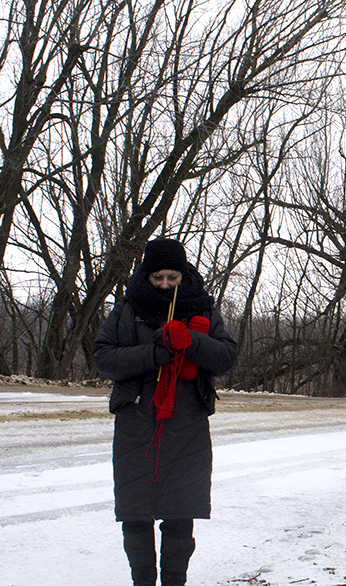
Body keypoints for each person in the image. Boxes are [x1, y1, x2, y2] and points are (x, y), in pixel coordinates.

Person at [93, 237, 237, 586]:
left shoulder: (202, 307)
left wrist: (193, 341)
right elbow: (104, 358)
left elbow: (226, 357)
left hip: (186, 424)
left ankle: (175, 581)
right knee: (136, 512)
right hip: (136, 422)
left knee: (179, 512)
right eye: (158, 277)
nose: (165, 284)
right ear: (147, 275)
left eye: (171, 276)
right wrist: (154, 353)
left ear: (183, 274)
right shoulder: (127, 308)